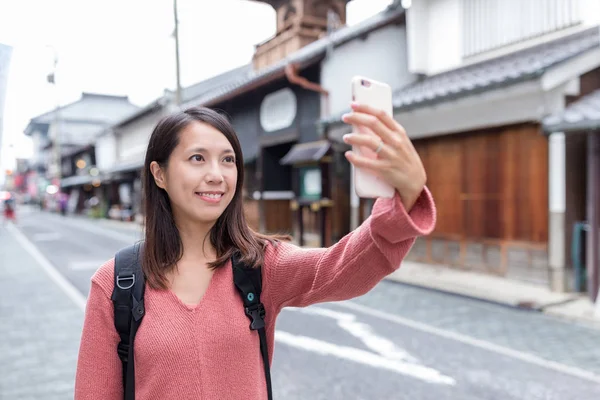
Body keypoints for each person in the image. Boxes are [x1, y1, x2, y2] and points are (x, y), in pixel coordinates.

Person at [74, 103, 436, 399]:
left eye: (228, 160)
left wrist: (404, 197)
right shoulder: (117, 283)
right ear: (160, 174)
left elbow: (343, 267)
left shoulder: (260, 264)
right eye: (197, 158)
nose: (217, 174)